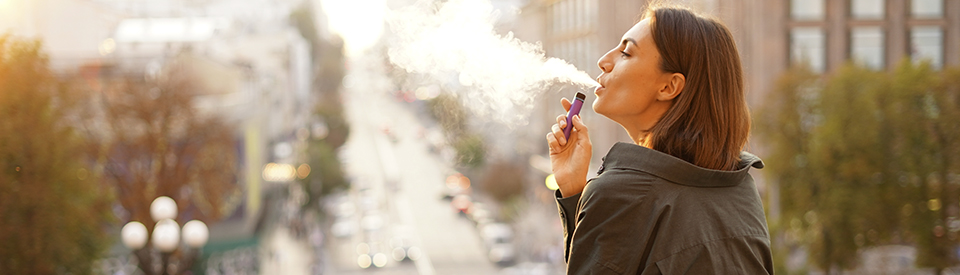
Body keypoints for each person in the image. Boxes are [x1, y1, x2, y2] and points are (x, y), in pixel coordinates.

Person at [545, 4, 773, 274]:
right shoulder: (740, 188)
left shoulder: (620, 194)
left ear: (669, 87)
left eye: (626, 52)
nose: (604, 61)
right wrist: (574, 192)